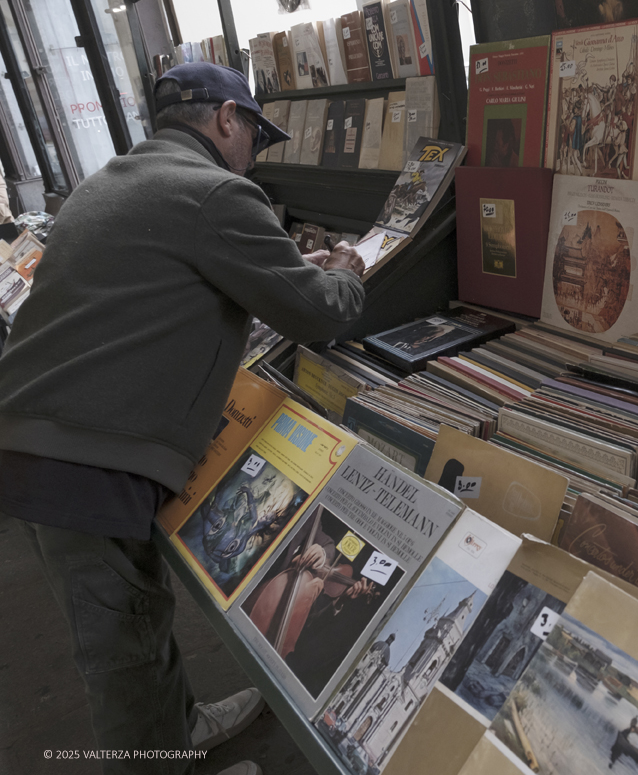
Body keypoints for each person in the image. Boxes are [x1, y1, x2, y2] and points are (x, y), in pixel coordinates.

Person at [0, 62, 366, 775]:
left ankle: (181, 729)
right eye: (254, 136)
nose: (253, 154)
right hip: (81, 466)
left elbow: (183, 273)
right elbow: (319, 312)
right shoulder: (217, 193)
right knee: (122, 651)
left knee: (141, 610)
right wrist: (347, 270)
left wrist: (288, 264)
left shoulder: (112, 180)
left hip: (41, 440)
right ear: (227, 118)